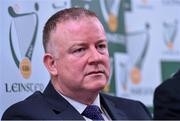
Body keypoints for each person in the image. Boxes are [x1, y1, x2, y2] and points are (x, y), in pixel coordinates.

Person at [2, 7, 152, 120]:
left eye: (100, 46)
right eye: (80, 49)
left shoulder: (136, 111)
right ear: (52, 64)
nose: (96, 58)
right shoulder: (25, 116)